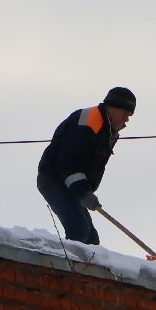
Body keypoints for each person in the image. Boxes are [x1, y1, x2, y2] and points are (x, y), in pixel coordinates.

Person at [37, 86, 136, 245]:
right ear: (113, 107)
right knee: (79, 229)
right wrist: (84, 192)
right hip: (54, 179)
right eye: (126, 113)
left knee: (91, 241)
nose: (127, 119)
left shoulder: (108, 130)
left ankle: (79, 268)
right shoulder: (90, 121)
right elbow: (68, 162)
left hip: (72, 186)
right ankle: (66, 266)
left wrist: (86, 191)